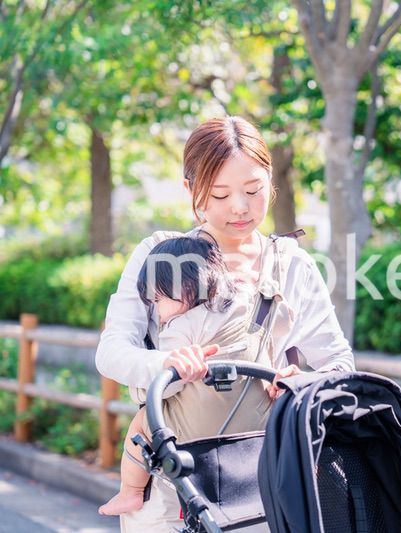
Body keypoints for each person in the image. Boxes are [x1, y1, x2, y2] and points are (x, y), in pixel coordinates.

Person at [95, 116, 355, 531]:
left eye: (253, 191)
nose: (240, 206)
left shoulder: (293, 265)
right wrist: (168, 367)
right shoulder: (160, 254)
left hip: (257, 487)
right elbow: (111, 352)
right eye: (219, 194)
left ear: (270, 182)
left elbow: (339, 362)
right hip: (170, 486)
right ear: (190, 190)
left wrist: (301, 383)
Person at [98, 235, 239, 516]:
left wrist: (142, 390)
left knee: (141, 422)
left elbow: (168, 386)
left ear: (186, 289)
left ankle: (131, 491)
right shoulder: (231, 311)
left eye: (160, 299)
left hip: (189, 424)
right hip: (234, 420)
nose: (158, 311)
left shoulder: (179, 327)